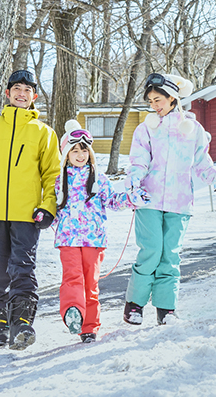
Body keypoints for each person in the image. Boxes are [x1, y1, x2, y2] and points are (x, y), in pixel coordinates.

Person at [123, 73, 216, 326]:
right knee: (152, 251)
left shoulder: (193, 130)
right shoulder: (146, 129)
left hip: (180, 203)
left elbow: (202, 164)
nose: (155, 105)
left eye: (159, 99)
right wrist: (134, 183)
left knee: (170, 256)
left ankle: (166, 309)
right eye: (151, 101)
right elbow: (138, 160)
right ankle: (134, 305)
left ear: (173, 98)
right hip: (149, 200)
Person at [0, 69, 60, 350]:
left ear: (34, 97)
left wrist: (47, 207)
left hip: (27, 214)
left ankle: (22, 323)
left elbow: (52, 174)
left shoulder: (43, 133)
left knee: (22, 268)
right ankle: (2, 323)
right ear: (7, 94)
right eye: (17, 88)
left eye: (28, 90)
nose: (22, 93)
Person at [52, 119, 136, 343]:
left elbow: (113, 201)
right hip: (68, 239)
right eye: (75, 150)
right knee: (72, 277)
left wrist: (130, 199)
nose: (80, 155)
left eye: (84, 151)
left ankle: (89, 327)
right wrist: (44, 219)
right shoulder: (59, 181)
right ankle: (73, 312)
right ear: (66, 154)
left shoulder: (99, 179)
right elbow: (53, 210)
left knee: (91, 283)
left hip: (94, 239)